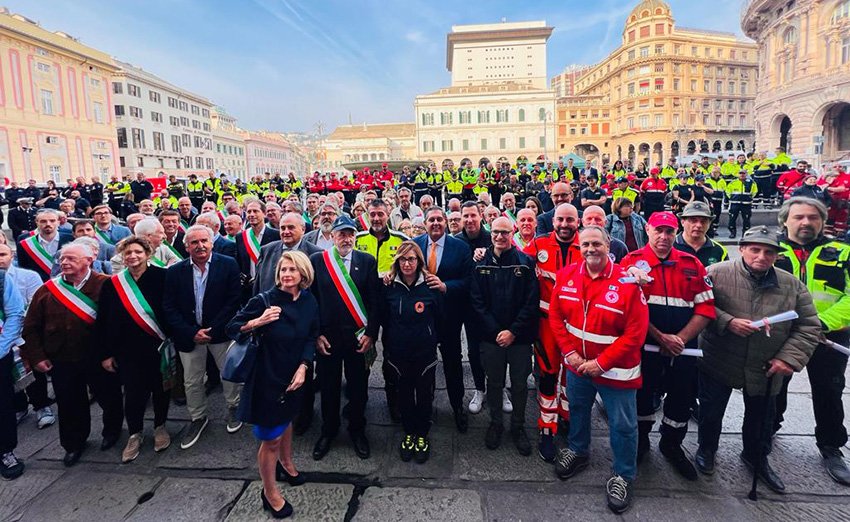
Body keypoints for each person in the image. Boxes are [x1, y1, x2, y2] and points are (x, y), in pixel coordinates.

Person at [697, 226, 820, 493]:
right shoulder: (716, 273)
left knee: (761, 418)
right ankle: (706, 448)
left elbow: (810, 326)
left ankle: (756, 456)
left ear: (776, 255)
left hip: (766, 364)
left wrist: (788, 359)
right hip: (720, 359)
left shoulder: (792, 285)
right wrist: (727, 321)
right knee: (711, 411)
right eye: (755, 249)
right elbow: (699, 304)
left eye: (769, 252)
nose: (761, 256)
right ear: (742, 249)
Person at [548, 226, 648, 514]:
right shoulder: (567, 275)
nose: (590, 249)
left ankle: (624, 475)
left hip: (616, 372)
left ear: (609, 245)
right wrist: (570, 353)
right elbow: (556, 317)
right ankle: (579, 451)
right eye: (585, 245)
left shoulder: (628, 282)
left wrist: (601, 363)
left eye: (596, 244)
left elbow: (635, 335)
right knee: (577, 410)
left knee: (623, 425)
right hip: (578, 366)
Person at [620, 211, 714, 480]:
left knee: (681, 398)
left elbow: (706, 309)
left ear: (676, 233)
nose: (663, 237)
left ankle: (672, 444)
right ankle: (641, 443)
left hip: (683, 350)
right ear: (647, 230)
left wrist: (680, 339)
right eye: (658, 230)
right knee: (641, 396)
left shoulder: (692, 263)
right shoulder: (631, 263)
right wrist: (660, 337)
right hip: (645, 348)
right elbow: (626, 309)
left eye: (669, 231)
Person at [226, 252, 318, 519]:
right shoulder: (264, 300)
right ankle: (269, 492)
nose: (287, 274)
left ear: (304, 274)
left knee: (288, 419)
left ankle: (287, 465)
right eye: (283, 269)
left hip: (294, 374)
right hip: (267, 376)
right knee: (271, 438)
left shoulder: (309, 300)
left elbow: (312, 336)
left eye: (292, 270)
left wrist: (304, 366)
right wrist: (258, 321)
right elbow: (231, 327)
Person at [20, 243, 124, 467]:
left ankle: (112, 431)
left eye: (71, 259)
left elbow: (117, 324)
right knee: (69, 404)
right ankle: (74, 443)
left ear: (89, 261)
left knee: (109, 397)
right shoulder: (47, 290)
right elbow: (30, 326)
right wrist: (37, 357)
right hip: (62, 358)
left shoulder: (106, 284)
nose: (64, 263)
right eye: (62, 259)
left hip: (99, 357)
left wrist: (111, 354)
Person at [772, 197, 850, 485]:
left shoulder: (842, 251)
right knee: (774, 385)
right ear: (785, 221)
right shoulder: (769, 249)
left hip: (829, 334)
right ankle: (768, 429)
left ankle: (831, 446)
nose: (806, 222)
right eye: (799, 217)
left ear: (823, 221)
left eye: (813, 217)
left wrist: (823, 323)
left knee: (829, 390)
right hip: (782, 333)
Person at [163, 225, 243, 450]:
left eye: (204, 241)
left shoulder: (228, 265)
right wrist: (191, 332)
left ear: (211, 243)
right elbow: (169, 307)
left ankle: (234, 407)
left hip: (219, 332)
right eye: (194, 242)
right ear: (186, 246)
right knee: (192, 379)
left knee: (228, 372)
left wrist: (211, 328)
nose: (200, 246)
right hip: (189, 335)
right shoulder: (175, 271)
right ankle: (198, 417)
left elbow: (233, 299)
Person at [310, 216, 379, 461]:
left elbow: (374, 302)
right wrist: (316, 334)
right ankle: (328, 431)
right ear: (332, 236)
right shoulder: (318, 261)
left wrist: (371, 334)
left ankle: (357, 431)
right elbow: (312, 301)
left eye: (350, 234)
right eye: (341, 234)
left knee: (358, 388)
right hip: (327, 340)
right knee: (328, 389)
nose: (346, 239)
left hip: (357, 338)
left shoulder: (367, 261)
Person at [97, 237, 171, 463]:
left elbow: (170, 309)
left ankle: (160, 427)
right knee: (133, 393)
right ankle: (135, 433)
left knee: (161, 389)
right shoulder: (113, 283)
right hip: (127, 350)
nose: (133, 256)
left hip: (158, 345)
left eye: (138, 252)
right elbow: (103, 320)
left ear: (148, 254)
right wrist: (106, 353)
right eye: (128, 253)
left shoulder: (163, 277)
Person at [471, 217, 539, 455]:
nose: (500, 237)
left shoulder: (525, 263)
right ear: (491, 234)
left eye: (505, 232)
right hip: (491, 338)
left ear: (514, 232)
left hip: (518, 338)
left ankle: (518, 426)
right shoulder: (480, 263)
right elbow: (477, 302)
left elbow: (531, 303)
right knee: (494, 381)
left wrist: (513, 331)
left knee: (520, 384)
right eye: (496, 232)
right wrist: (496, 331)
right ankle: (496, 422)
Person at [375, 241, 443, 463]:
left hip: (424, 353)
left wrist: (434, 339)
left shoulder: (430, 285)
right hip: (398, 353)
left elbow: (441, 317)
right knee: (403, 394)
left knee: (424, 395)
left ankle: (422, 434)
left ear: (419, 261)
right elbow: (381, 315)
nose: (407, 264)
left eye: (411, 259)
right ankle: (409, 433)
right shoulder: (389, 286)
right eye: (402, 259)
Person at [524, 203, 582, 460]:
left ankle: (568, 418)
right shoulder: (539, 244)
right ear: (553, 220)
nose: (565, 224)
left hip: (577, 325)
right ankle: (547, 427)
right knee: (548, 374)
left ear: (577, 222)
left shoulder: (588, 245)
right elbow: (518, 261)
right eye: (560, 219)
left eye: (570, 219)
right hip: (546, 323)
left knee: (573, 374)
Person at [412, 208, 474, 433]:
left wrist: (447, 286)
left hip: (449, 315)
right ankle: (425, 409)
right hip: (421, 316)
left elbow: (468, 280)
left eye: (440, 219)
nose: (436, 223)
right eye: (431, 220)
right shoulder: (414, 244)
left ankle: (457, 406)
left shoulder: (460, 247)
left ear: (446, 222)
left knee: (452, 362)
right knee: (424, 363)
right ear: (425, 223)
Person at [0, 268, 27, 479]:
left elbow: (15, 313)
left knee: (2, 405)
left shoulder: (1, 278)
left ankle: (5, 452)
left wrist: (1, 348)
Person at [235, 201, 278, 299]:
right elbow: (239, 262)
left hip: (270, 287)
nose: (251, 215)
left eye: (255, 211)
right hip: (248, 289)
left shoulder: (276, 235)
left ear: (264, 213)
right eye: (249, 212)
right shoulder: (241, 236)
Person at [16, 209, 73, 281]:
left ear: (58, 222)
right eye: (43, 221)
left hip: (66, 284)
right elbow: (24, 270)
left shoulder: (71, 239)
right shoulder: (24, 244)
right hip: (38, 285)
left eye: (52, 221)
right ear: (36, 222)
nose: (48, 224)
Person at [725, 168, 757, 238]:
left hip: (746, 204)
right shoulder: (733, 183)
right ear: (738, 174)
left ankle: (745, 233)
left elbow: (755, 192)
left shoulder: (752, 183)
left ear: (746, 174)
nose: (742, 175)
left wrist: (750, 198)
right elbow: (727, 191)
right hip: (734, 204)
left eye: (743, 173)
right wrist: (732, 197)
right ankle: (732, 232)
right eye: (740, 173)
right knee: (732, 219)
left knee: (746, 219)